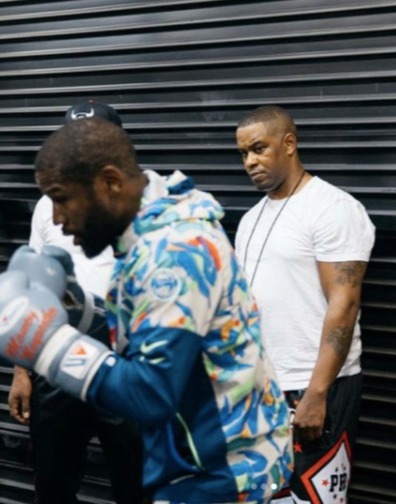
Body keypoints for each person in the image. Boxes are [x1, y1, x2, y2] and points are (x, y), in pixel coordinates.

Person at [0, 116, 293, 503]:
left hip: (224, 479)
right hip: (200, 464)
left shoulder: (174, 252)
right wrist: (79, 311)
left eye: (61, 197)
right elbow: (160, 334)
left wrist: (46, 344)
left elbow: (150, 395)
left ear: (109, 182)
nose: (56, 218)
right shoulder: (148, 234)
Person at [234, 105, 375, 503]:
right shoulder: (251, 219)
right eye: (244, 153)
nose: (250, 161)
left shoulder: (332, 208)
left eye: (259, 148)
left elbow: (344, 305)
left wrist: (317, 394)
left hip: (313, 388)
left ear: (289, 144)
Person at [8, 100, 145, 504]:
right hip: (58, 355)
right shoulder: (46, 207)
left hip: (127, 359)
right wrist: (21, 371)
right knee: (52, 485)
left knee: (137, 486)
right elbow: (31, 284)